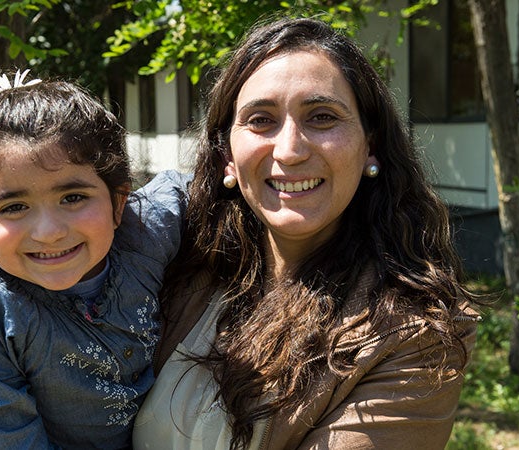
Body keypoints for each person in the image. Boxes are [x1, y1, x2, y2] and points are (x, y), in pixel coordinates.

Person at [132, 17, 481, 450]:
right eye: (261, 120)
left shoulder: (414, 333)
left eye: (321, 117)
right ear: (226, 154)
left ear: (370, 144)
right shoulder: (174, 260)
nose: (290, 150)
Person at [0, 70, 187, 449]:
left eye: (73, 198)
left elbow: (193, 188)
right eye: (14, 207)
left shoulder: (145, 230)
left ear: (118, 203)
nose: (49, 232)